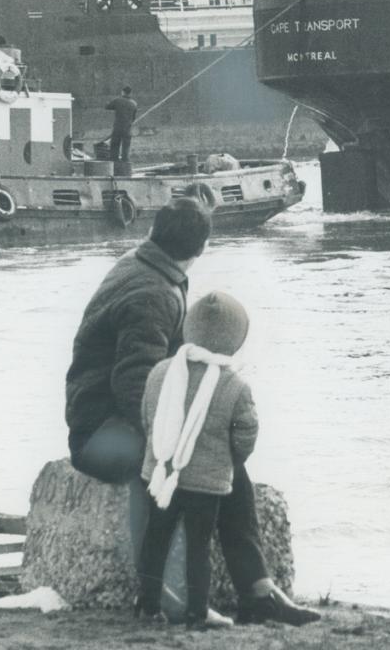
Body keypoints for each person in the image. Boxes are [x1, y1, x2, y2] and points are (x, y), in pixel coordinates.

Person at [63, 198, 320, 626]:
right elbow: (135, 388)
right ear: (201, 247)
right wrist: (186, 438)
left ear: (154, 231)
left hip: (101, 421)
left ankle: (256, 589)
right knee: (205, 455)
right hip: (101, 436)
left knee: (219, 455)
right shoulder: (153, 294)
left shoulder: (145, 265)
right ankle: (173, 598)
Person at [136, 291, 256, 629]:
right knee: (198, 546)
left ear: (189, 328)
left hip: (161, 474)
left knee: (155, 540)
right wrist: (229, 461)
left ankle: (147, 607)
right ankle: (196, 613)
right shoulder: (234, 385)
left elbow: (147, 417)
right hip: (207, 482)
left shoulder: (161, 372)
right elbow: (246, 435)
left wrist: (160, 455)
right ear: (235, 340)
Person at [106, 86, 139, 164]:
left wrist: (107, 102)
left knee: (114, 145)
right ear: (130, 93)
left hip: (118, 127)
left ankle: (114, 162)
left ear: (123, 92)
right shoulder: (134, 103)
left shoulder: (118, 100)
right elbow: (134, 118)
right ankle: (125, 162)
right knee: (126, 146)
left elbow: (108, 107)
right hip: (128, 128)